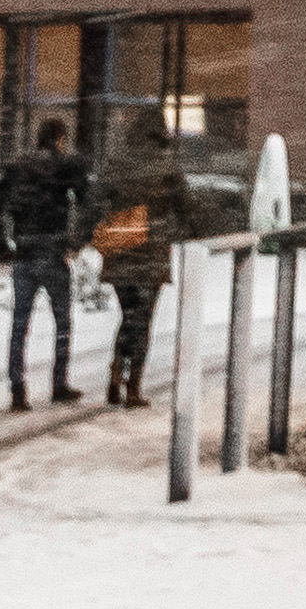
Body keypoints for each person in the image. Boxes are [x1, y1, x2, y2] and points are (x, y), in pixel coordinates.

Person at [0, 117, 92, 410]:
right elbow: (89, 203)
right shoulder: (65, 167)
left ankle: (17, 388)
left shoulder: (19, 167)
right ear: (59, 138)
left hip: (24, 252)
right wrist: (76, 241)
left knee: (20, 322)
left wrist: (2, 247)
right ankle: (59, 382)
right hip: (54, 251)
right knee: (62, 320)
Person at [95, 122, 201, 407]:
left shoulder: (117, 164)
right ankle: (132, 385)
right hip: (150, 254)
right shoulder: (167, 167)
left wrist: (83, 236)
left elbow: (95, 202)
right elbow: (186, 208)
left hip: (119, 250)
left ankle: (116, 376)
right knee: (141, 320)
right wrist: (196, 231)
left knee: (129, 314)